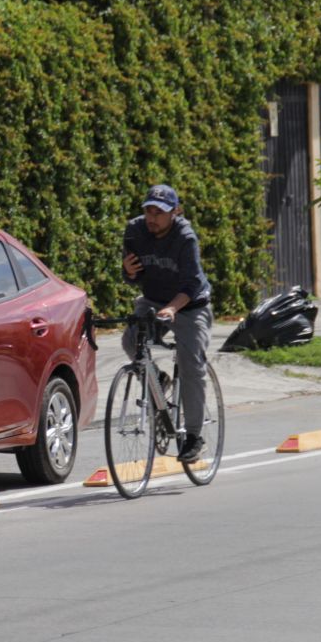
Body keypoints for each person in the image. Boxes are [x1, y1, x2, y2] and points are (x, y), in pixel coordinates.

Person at [121, 184, 213, 463]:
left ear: (176, 211)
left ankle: (194, 437)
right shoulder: (134, 231)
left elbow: (193, 284)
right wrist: (127, 272)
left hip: (189, 304)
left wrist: (172, 309)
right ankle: (157, 380)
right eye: (148, 210)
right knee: (130, 340)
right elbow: (132, 277)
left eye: (159, 212)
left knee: (191, 365)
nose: (152, 218)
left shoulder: (185, 237)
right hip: (152, 300)